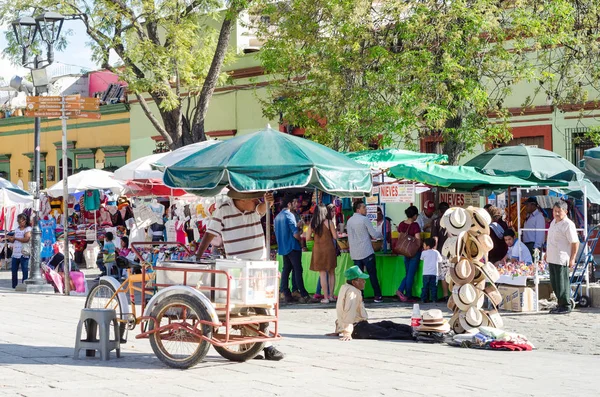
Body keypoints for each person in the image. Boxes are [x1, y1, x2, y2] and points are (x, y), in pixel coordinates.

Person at [195, 190, 284, 361]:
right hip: (238, 266)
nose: (256, 201)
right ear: (242, 200)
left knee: (264, 303)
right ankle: (255, 346)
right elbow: (210, 233)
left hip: (259, 264)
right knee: (243, 307)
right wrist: (197, 256)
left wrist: (269, 201)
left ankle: (260, 345)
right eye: (253, 198)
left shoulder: (253, 209)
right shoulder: (223, 211)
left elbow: (262, 208)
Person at [332, 266, 414, 341]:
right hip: (357, 329)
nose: (364, 282)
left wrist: (338, 330)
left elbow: (340, 310)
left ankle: (413, 329)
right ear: (354, 282)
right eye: (362, 280)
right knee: (388, 332)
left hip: (359, 326)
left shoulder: (345, 287)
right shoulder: (353, 292)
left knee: (387, 324)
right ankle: (415, 335)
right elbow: (348, 312)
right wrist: (347, 333)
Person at [345, 201, 384, 303]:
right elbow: (374, 234)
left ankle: (359, 296)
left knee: (357, 276)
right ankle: (377, 295)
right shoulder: (364, 219)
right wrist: (382, 234)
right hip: (366, 251)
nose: (365, 209)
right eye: (363, 207)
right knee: (372, 274)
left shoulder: (349, 221)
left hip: (355, 253)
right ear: (358, 209)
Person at [274, 195, 310, 304]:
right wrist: (300, 238)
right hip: (292, 246)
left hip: (284, 247)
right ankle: (303, 294)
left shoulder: (277, 217)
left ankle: (285, 291)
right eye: (293, 202)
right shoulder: (289, 215)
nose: (296, 204)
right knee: (298, 269)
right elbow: (295, 234)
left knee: (287, 269)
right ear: (289, 204)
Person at [546, 201, 579, 314]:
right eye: (555, 211)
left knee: (562, 283)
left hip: (561, 257)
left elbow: (575, 242)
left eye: (559, 211)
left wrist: (572, 258)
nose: (556, 213)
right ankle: (560, 303)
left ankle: (566, 305)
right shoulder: (553, 223)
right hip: (552, 256)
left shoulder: (568, 224)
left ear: (565, 211)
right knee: (555, 283)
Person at [307, 204, 337, 303]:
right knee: (332, 273)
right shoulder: (329, 222)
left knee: (322, 274)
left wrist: (315, 238)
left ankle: (326, 297)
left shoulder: (313, 223)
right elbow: (335, 237)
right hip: (329, 249)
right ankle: (332, 296)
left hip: (318, 250)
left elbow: (307, 238)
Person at [396, 205, 421, 303]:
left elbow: (399, 237)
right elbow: (418, 239)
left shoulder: (401, 224)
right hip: (414, 252)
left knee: (408, 273)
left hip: (404, 251)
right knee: (410, 274)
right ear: (414, 215)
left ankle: (402, 292)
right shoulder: (415, 225)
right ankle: (406, 294)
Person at [430, 202, 450, 301]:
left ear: (439, 211)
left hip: (441, 251)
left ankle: (446, 295)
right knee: (453, 273)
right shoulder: (453, 221)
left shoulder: (435, 221)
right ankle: (455, 295)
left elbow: (435, 237)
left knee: (443, 274)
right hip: (453, 251)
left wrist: (434, 249)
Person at [7, 213, 32, 289]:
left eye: (21, 221)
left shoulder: (28, 229)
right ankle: (14, 286)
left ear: (25, 221)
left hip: (23, 253)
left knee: (24, 270)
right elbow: (13, 239)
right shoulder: (17, 229)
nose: (19, 223)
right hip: (15, 253)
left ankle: (24, 285)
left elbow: (26, 239)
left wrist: (16, 238)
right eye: (18, 221)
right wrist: (9, 238)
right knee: (14, 271)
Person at [420, 238, 442, 303]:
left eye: (424, 245)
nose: (423, 246)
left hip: (425, 273)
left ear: (428, 246)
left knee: (425, 287)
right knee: (434, 287)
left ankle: (424, 299)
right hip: (434, 273)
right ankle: (434, 299)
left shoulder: (423, 253)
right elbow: (440, 260)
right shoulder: (436, 252)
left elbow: (421, 259)